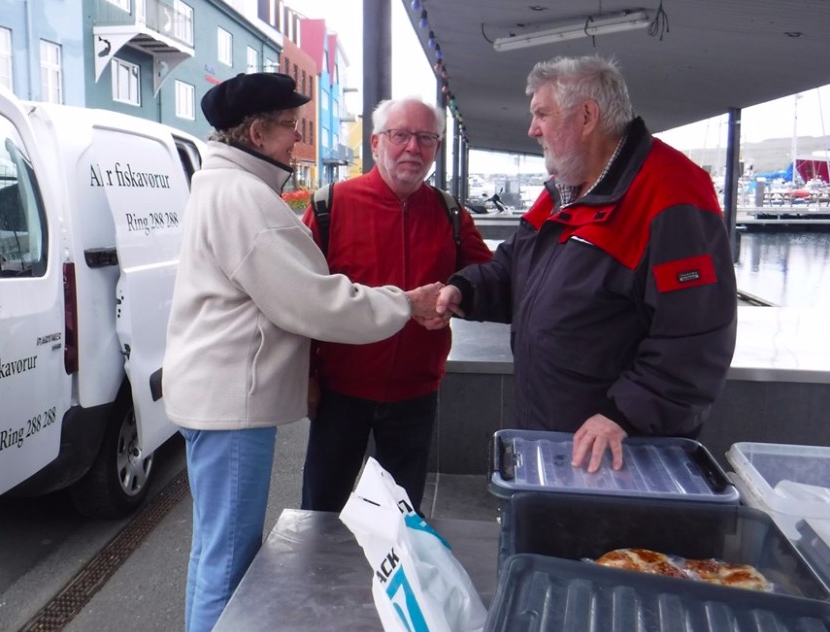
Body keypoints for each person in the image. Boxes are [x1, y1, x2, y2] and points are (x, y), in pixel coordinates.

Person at [162, 73, 443, 632]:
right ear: (259, 132)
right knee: (230, 557)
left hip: (215, 399)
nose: (297, 139)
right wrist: (403, 304)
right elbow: (312, 301)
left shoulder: (224, 187)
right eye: (290, 127)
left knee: (213, 549)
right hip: (231, 407)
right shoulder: (245, 198)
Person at [434, 55, 737, 473]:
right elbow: (514, 268)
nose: (532, 128)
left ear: (587, 116)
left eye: (542, 114)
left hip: (619, 449)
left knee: (616, 543)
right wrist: (464, 290)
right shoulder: (564, 189)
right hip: (553, 433)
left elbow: (696, 336)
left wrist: (624, 416)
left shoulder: (672, 193)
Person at [299, 97, 492, 514]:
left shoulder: (450, 213)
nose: (412, 148)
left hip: (415, 394)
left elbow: (486, 279)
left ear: (437, 149)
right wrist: (308, 376)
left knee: (401, 520)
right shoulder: (329, 206)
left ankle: (391, 581)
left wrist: (457, 295)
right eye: (400, 135)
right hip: (340, 392)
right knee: (321, 514)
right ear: (375, 143)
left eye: (425, 138)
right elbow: (304, 302)